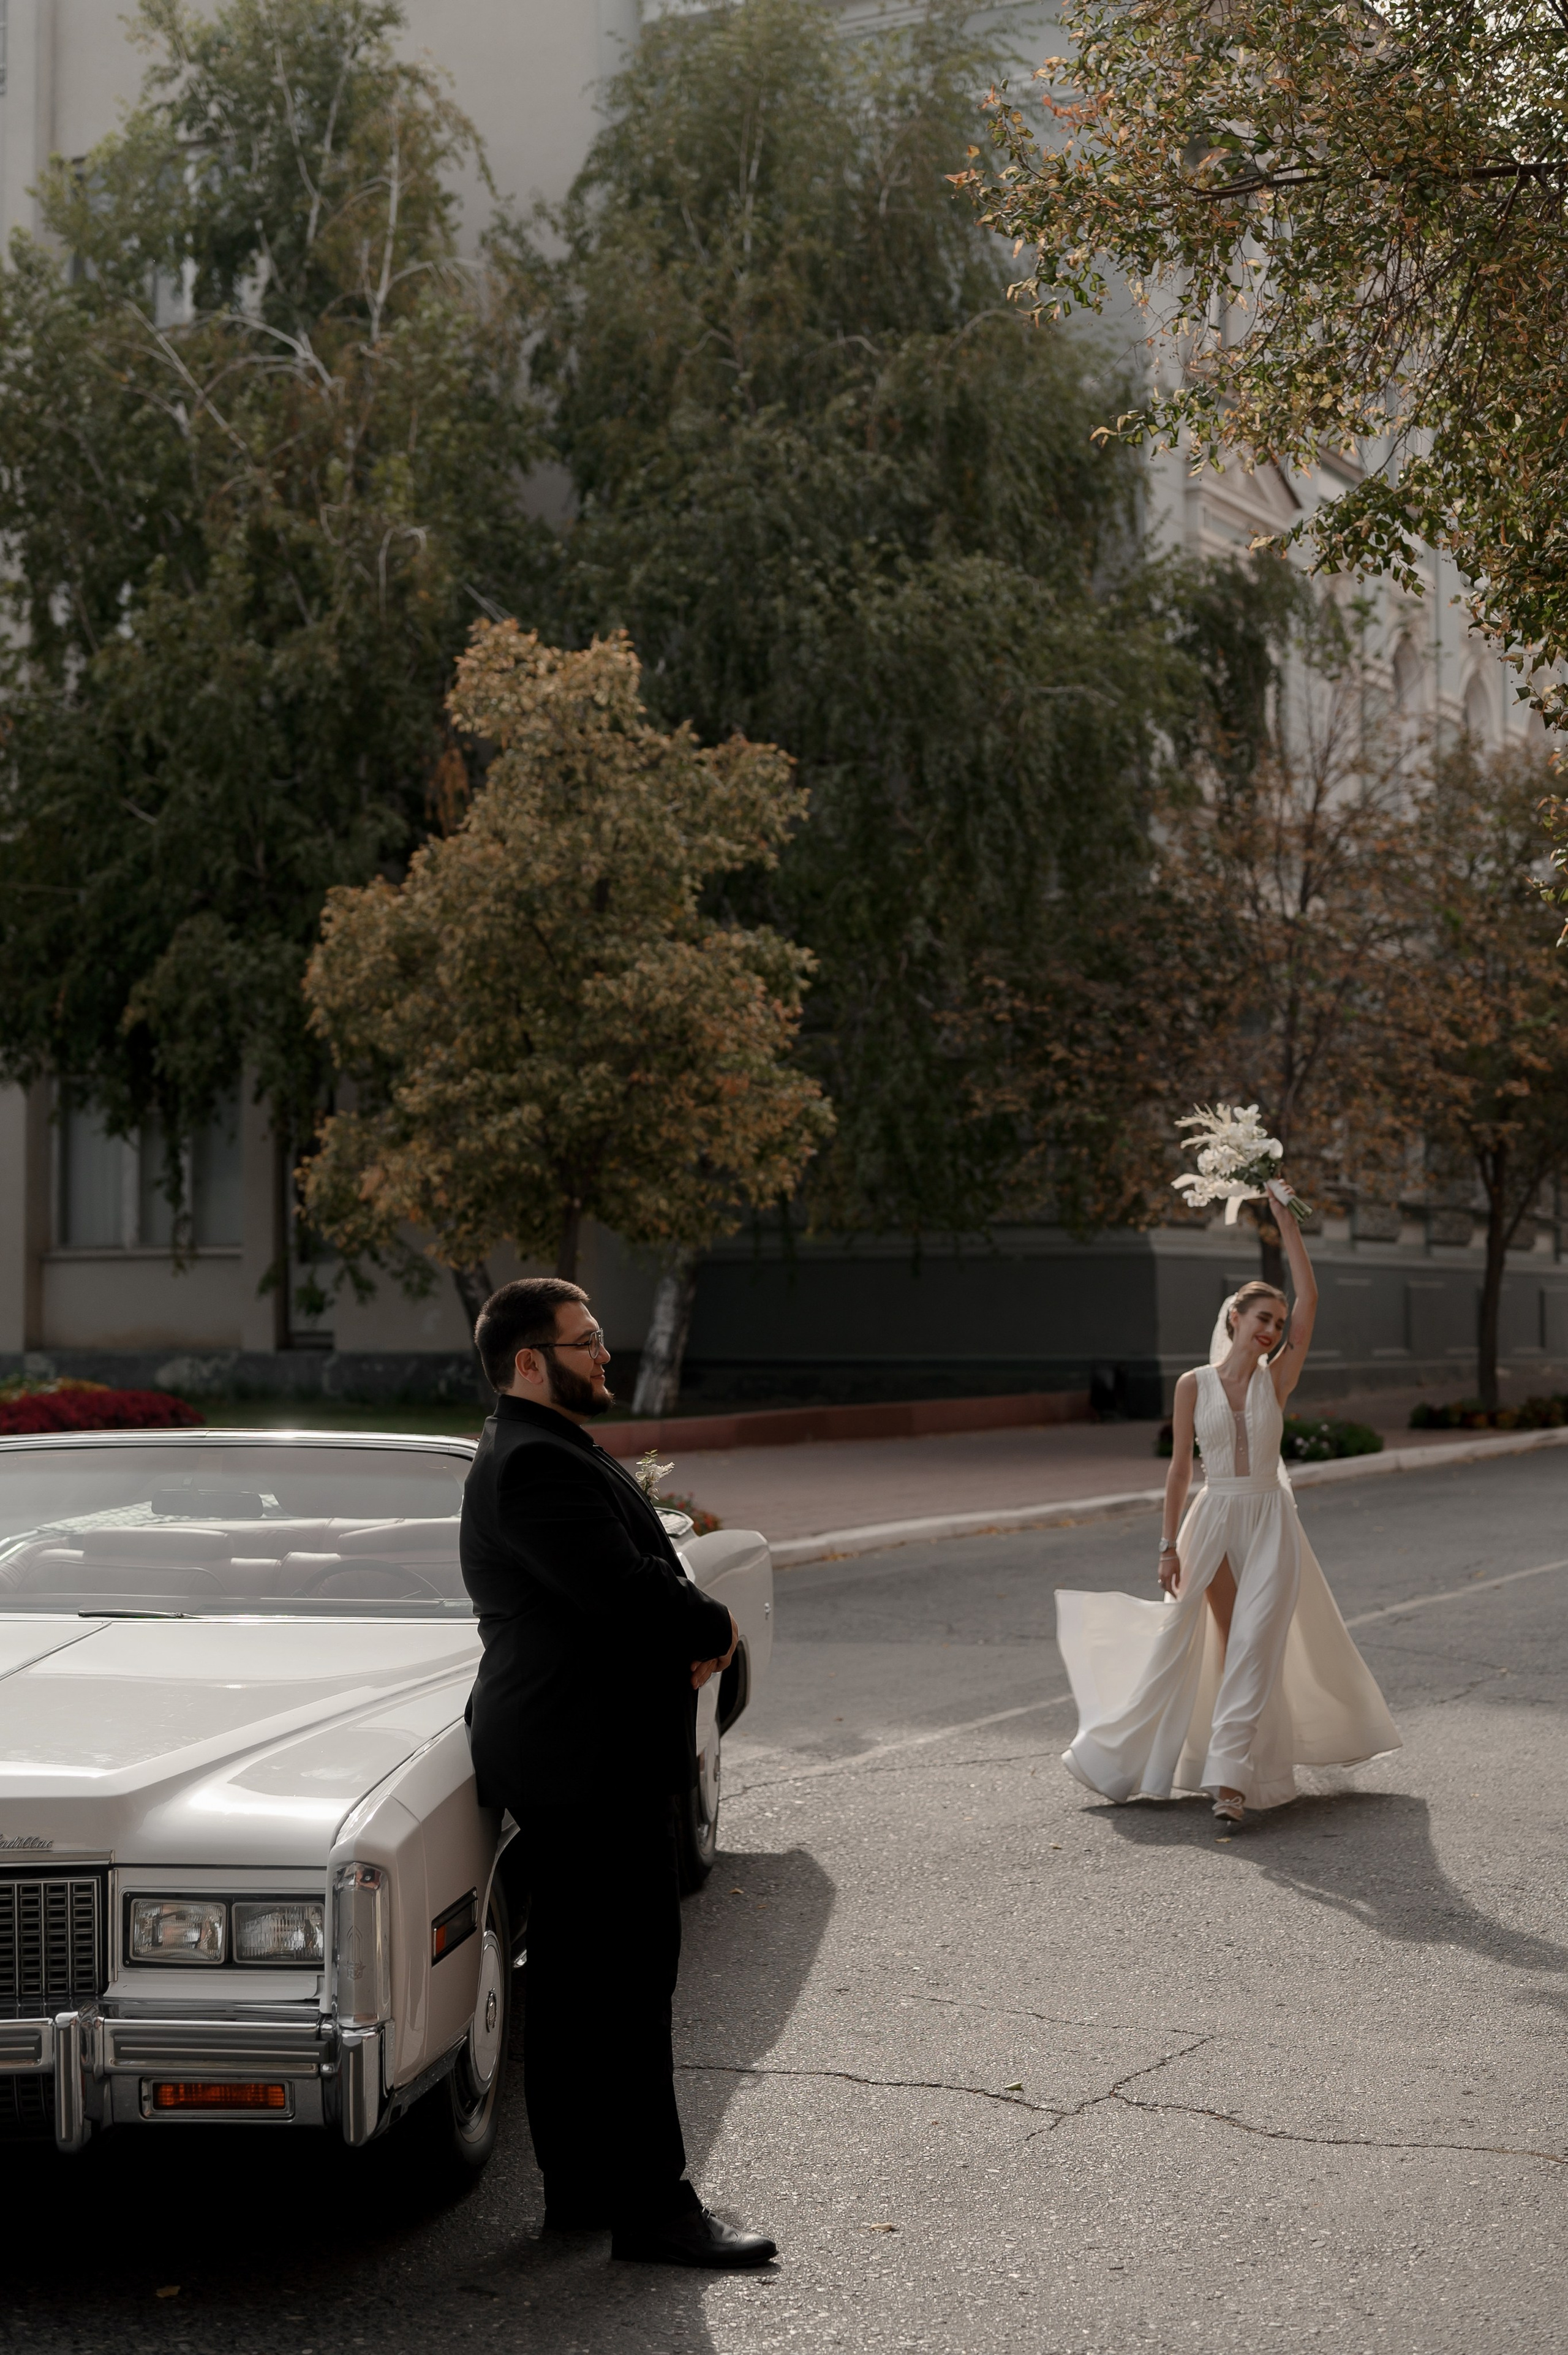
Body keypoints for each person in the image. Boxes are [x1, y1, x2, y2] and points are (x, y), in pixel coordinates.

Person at [460, 1274, 777, 2267]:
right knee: (627, 1981)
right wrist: (712, 1625)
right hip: (583, 1757)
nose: (607, 1355)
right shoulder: (531, 1465)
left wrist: (678, 1621)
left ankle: (585, 2186)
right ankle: (654, 2208)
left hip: (579, 1747)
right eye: (587, 1341)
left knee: (575, 1980)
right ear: (528, 1361)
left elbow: (622, 1588)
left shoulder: (541, 1449)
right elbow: (629, 1591)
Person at [1055, 1178, 1400, 1827]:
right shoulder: (1192, 1385)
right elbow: (1180, 1470)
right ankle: (1114, 1754)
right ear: (1232, 1320)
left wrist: (1284, 1222)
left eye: (1277, 1322)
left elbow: (1311, 1297)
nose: (1272, 1329)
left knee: (1253, 1644)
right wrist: (1164, 1545)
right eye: (1261, 1318)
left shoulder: (1280, 1380)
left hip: (1270, 1521)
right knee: (1186, 1643)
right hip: (1210, 1521)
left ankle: (1230, 1783)